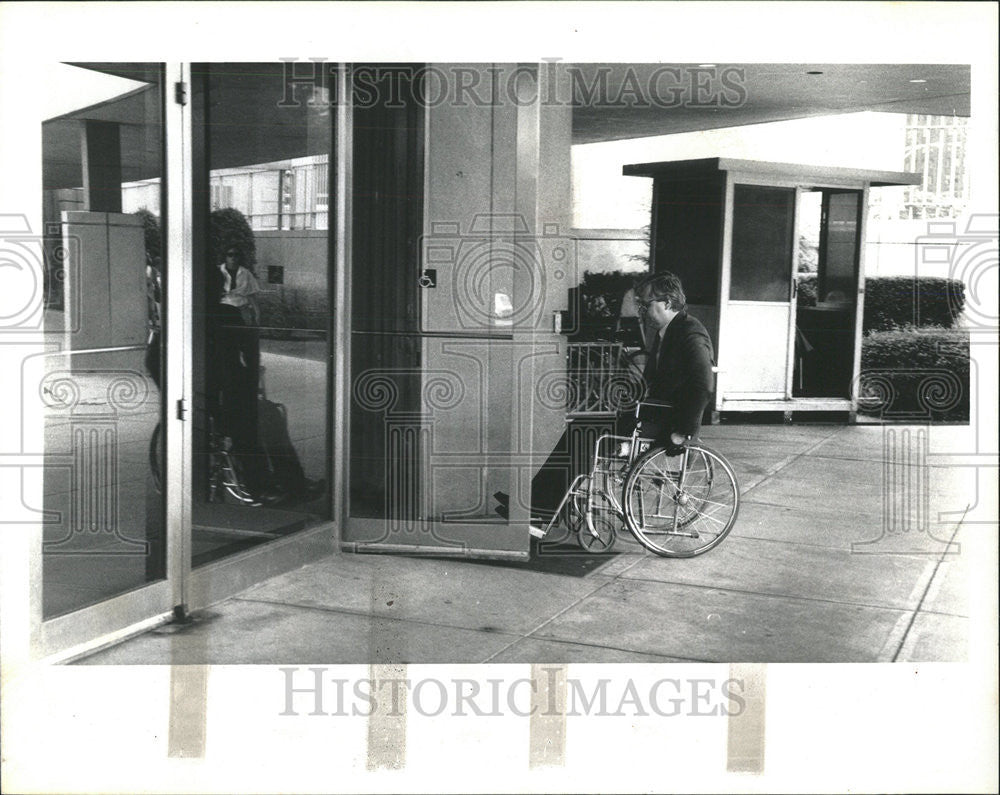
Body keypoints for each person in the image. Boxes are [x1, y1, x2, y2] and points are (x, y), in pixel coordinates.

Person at [628, 271, 715, 453]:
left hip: (669, 425)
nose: (642, 312)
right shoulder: (668, 332)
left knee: (585, 431)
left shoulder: (691, 333)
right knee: (587, 426)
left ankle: (556, 481)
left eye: (646, 305)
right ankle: (557, 481)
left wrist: (682, 433)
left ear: (667, 303)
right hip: (654, 414)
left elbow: (703, 385)